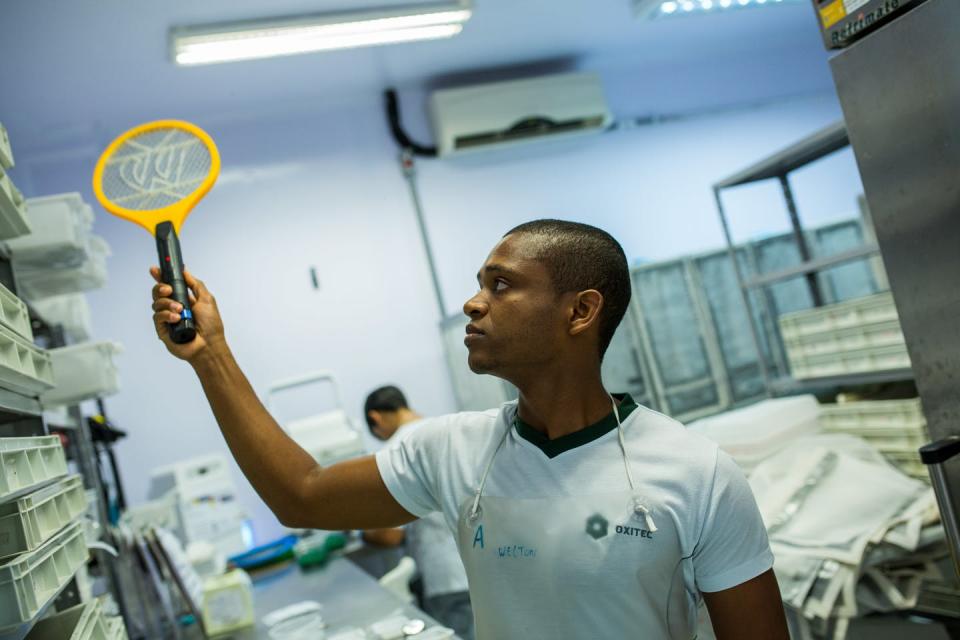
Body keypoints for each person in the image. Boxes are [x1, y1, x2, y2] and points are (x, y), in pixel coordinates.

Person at [149, 219, 789, 639]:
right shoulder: (449, 450)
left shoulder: (695, 472)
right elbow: (301, 494)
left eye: (501, 285)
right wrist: (212, 354)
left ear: (581, 312)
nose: (472, 302)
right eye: (480, 283)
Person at [362, 385, 475, 640]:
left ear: (375, 418)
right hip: (483, 563)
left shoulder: (395, 450)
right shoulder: (448, 429)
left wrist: (363, 534)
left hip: (446, 576)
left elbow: (389, 536)